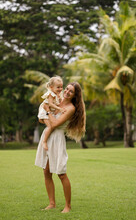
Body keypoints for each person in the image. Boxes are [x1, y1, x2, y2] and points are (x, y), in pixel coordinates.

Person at [35, 82, 86, 213]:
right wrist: (45, 113)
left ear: (75, 95)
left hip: (57, 139)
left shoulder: (70, 108)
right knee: (46, 172)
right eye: (67, 89)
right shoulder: (57, 99)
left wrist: (47, 111)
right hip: (47, 135)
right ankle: (52, 203)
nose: (67, 92)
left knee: (61, 174)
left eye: (71, 91)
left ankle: (68, 206)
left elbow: (56, 123)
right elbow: (42, 119)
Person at [37, 76, 65, 151]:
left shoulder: (57, 95)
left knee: (52, 126)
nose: (60, 89)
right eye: (58, 87)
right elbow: (50, 104)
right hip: (44, 111)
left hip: (49, 111)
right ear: (52, 87)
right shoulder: (50, 94)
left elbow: (56, 104)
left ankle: (48, 141)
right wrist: (59, 108)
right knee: (50, 127)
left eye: (61, 87)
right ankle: (44, 141)